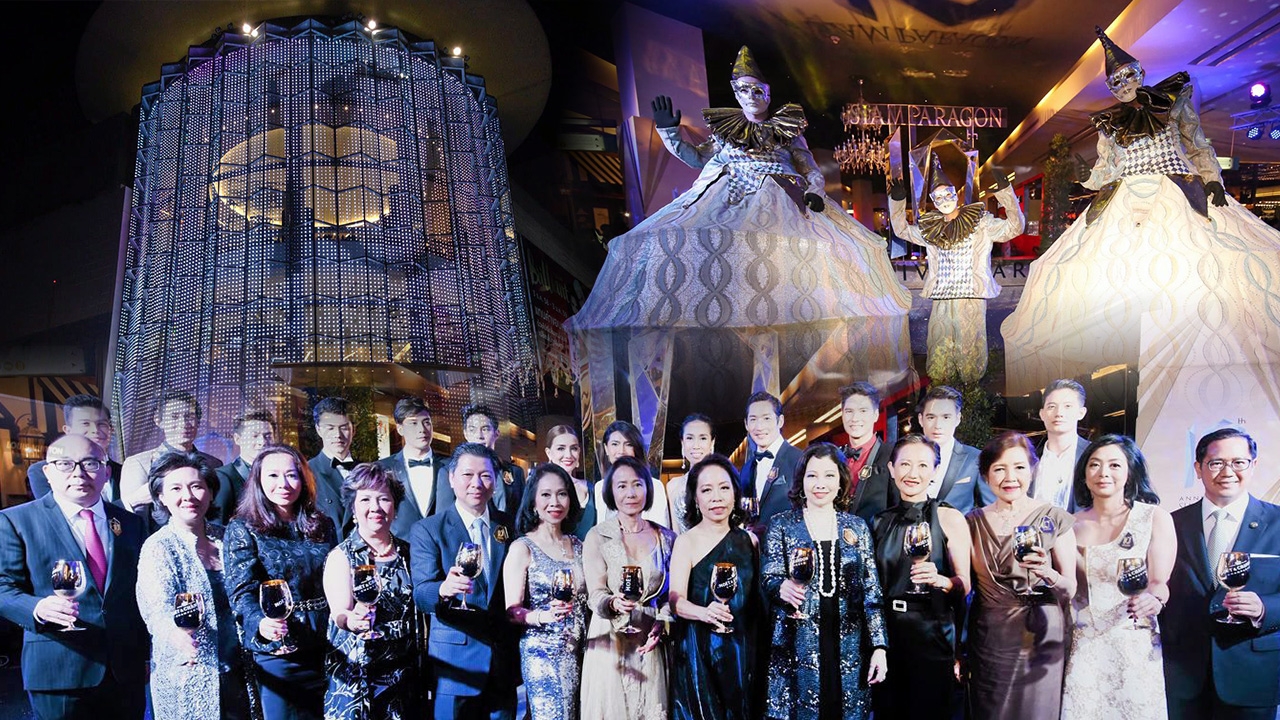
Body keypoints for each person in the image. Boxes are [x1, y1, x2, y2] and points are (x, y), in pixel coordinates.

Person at [1002, 27, 1280, 393]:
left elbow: (1197, 145)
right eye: (1115, 82)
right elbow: (1106, 169)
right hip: (1125, 199)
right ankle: (1129, 376)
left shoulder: (1173, 101)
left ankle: (1188, 373)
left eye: (1127, 75)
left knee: (1191, 274)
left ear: (1139, 73)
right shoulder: (1109, 123)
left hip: (1177, 190)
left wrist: (1212, 179)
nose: (1122, 85)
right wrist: (1086, 177)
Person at [0, 435, 149, 719]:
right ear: (48, 472)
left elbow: (137, 594)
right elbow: (2, 587)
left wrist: (144, 655)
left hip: (125, 670)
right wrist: (36, 607)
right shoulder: (15, 521)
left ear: (107, 472)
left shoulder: (130, 523)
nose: (79, 473)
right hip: (59, 668)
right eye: (65, 464)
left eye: (91, 463)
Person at [762, 443, 888, 720]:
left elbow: (872, 592)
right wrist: (780, 587)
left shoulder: (856, 527)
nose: (820, 484)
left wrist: (879, 647)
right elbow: (769, 576)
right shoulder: (781, 524)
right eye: (812, 475)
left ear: (840, 480)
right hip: (796, 645)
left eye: (829, 475)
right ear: (801, 481)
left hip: (849, 647)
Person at [1162, 428, 1280, 719]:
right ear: (1198, 468)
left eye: (1239, 462)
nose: (1228, 472)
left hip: (1253, 675)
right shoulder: (1169, 524)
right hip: (1182, 674)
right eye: (1216, 463)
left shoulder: (1278, 522)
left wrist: (1265, 609)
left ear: (1253, 466)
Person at [1061, 435, 1174, 720]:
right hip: (1084, 645)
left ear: (1130, 472)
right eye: (1095, 465)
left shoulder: (1154, 518)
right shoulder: (1069, 526)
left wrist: (1154, 599)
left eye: (1114, 465)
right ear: (1084, 474)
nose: (1103, 473)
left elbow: (1159, 582)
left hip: (1134, 642)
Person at [966, 432, 1077, 720]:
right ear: (986, 475)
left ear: (1032, 470)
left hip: (1039, 635)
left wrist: (1048, 574)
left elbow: (1070, 589)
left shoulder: (1053, 518)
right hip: (989, 637)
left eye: (1019, 467)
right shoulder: (971, 522)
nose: (1010, 477)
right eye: (999, 469)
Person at [224, 445, 338, 720]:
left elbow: (335, 579)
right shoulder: (243, 527)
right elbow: (241, 591)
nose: (283, 484)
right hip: (280, 648)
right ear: (258, 480)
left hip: (326, 643)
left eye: (291, 475)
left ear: (304, 479)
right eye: (273, 476)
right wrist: (260, 622)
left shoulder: (322, 523)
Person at [887, 152, 1023, 382]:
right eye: (937, 197)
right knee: (939, 342)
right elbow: (902, 231)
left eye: (947, 194)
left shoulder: (980, 223)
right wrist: (897, 203)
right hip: (942, 296)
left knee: (970, 344)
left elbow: (1014, 228)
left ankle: (970, 390)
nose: (944, 200)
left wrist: (1007, 195)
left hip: (971, 295)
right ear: (932, 200)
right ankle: (942, 387)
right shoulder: (931, 228)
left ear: (956, 194)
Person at [136, 451, 250, 720]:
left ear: (210, 493)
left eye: (197, 486)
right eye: (176, 488)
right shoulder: (158, 546)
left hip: (241, 669)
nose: (188, 496)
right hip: (190, 671)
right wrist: (176, 635)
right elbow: (157, 610)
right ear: (161, 497)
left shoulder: (228, 538)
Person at [411, 443, 519, 720]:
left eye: (485, 475)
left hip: (502, 665)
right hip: (455, 666)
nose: (476, 483)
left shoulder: (509, 527)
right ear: (451, 478)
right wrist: (443, 589)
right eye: (467, 475)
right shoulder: (428, 529)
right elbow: (421, 594)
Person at [872, 434, 971, 720]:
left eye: (923, 465)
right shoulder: (879, 521)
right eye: (905, 464)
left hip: (932, 632)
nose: (912, 473)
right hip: (889, 634)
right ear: (891, 469)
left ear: (935, 471)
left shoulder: (949, 517)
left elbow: (965, 584)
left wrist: (942, 581)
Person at [581, 457, 677, 720]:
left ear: (648, 488)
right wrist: (613, 603)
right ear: (611, 492)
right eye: (621, 486)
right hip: (609, 639)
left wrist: (663, 621)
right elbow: (595, 593)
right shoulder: (597, 536)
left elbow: (672, 594)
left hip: (650, 639)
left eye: (637, 484)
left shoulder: (666, 537)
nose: (631, 493)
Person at [321, 464, 417, 720]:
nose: (375, 507)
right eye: (365, 499)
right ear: (353, 508)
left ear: (395, 507)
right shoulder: (342, 556)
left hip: (404, 676)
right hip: (358, 678)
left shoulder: (408, 553)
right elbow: (339, 613)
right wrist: (352, 619)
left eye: (383, 498)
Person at [669, 454, 758, 720]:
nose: (716, 498)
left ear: (735, 493)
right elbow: (675, 600)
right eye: (706, 490)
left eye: (724, 488)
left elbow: (757, 601)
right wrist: (704, 612)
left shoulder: (750, 541)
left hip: (742, 651)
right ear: (695, 498)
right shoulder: (686, 542)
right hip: (699, 651)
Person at [503, 463, 587, 720]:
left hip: (581, 651)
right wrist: (542, 616)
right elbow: (511, 611)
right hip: (542, 653)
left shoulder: (579, 545)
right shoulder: (522, 548)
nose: (555, 502)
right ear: (533, 501)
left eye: (562, 494)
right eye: (546, 494)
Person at [121, 390, 223, 515]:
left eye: (190, 417)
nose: (183, 424)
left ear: (198, 422)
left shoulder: (213, 464)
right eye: (174, 417)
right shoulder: (139, 463)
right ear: (159, 421)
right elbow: (130, 514)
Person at [27, 394, 124, 505]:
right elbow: (58, 511)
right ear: (68, 431)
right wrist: (130, 501)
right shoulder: (42, 471)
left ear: (111, 430)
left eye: (101, 424)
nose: (95, 430)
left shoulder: (123, 471)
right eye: (85, 424)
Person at [378, 398, 449, 539]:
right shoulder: (382, 468)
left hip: (443, 546)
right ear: (400, 429)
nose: (422, 430)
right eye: (413, 423)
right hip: (399, 547)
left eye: (426, 422)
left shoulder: (452, 466)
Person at [915, 386, 992, 514]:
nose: (938, 425)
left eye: (946, 417)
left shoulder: (974, 459)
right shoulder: (904, 456)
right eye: (931, 417)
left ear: (957, 419)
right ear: (920, 419)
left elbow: (990, 509)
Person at [738, 391, 802, 531]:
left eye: (766, 418)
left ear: (780, 421)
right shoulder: (746, 468)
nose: (759, 427)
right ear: (746, 424)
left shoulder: (799, 460)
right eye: (753, 419)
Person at [594, 420, 670, 527]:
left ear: (636, 449)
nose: (621, 451)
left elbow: (660, 529)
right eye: (615, 444)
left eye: (628, 444)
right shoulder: (599, 487)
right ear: (606, 448)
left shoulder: (655, 486)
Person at [1028, 379, 1090, 511]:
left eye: (1067, 406)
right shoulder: (1029, 459)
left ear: (1081, 413)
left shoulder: (1094, 455)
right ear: (1042, 414)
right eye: (1051, 406)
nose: (1059, 413)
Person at [838, 382, 896, 522]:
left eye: (863, 411)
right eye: (849, 411)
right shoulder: (835, 457)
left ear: (875, 415)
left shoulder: (892, 455)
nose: (855, 418)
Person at [458, 404, 526, 513]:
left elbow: (522, 513)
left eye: (485, 429)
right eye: (472, 430)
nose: (479, 436)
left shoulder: (515, 472)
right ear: (465, 434)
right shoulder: (454, 472)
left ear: (496, 433)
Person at [213, 411, 278, 524]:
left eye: (268, 436)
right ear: (237, 439)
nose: (262, 442)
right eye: (254, 436)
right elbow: (217, 526)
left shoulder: (280, 475)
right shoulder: (223, 477)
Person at [307, 397, 358, 539]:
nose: (338, 435)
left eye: (344, 428)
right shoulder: (306, 472)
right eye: (330, 428)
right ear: (318, 430)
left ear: (354, 429)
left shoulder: (367, 470)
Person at [545, 425, 596, 541]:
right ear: (549, 453)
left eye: (574, 448)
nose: (568, 455)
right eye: (561, 448)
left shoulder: (591, 489)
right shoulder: (538, 490)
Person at [668, 414, 716, 534]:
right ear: (682, 443)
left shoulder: (725, 483)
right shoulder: (673, 486)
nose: (696, 445)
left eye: (703, 438)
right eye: (690, 438)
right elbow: (675, 533)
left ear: (712, 443)